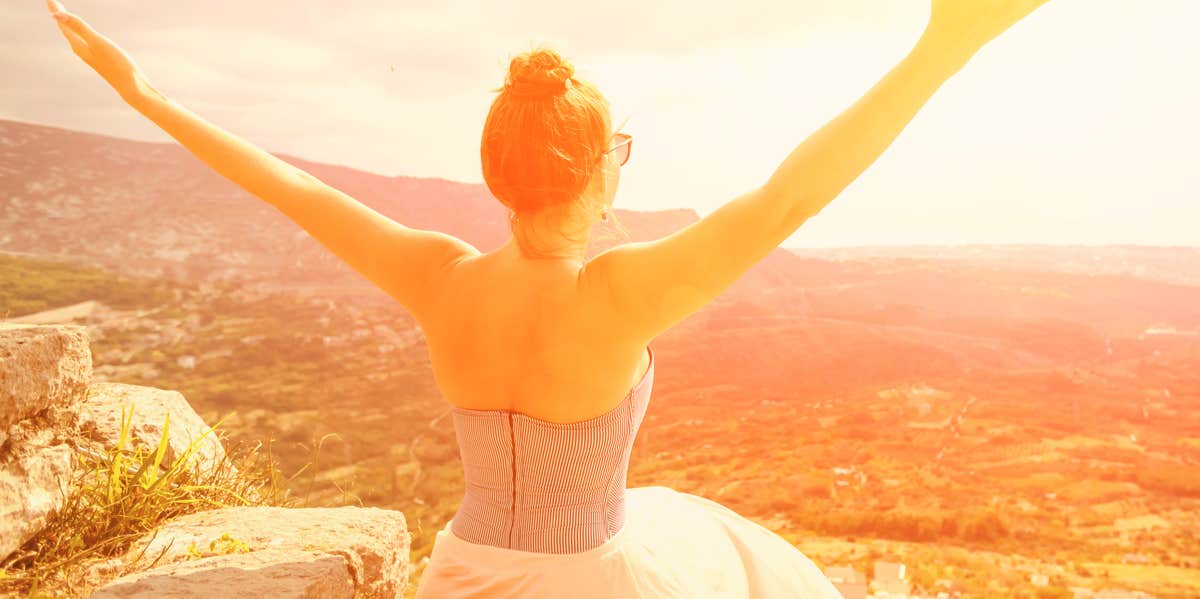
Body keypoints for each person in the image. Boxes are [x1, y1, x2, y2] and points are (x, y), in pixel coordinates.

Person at [45, 0, 1054, 596]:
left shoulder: (438, 275)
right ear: (598, 175)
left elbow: (292, 186)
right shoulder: (619, 294)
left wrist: (143, 96)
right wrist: (941, 48)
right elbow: (793, 191)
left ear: (502, 175)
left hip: (465, 573)